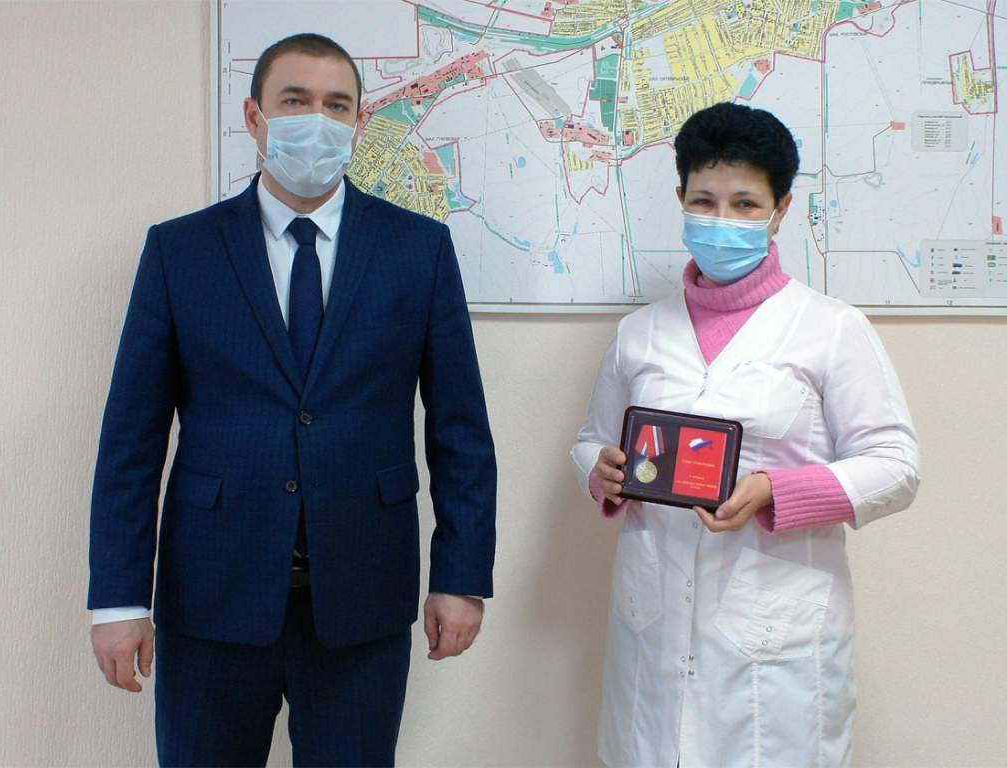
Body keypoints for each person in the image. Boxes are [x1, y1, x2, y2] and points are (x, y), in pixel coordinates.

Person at [88, 33, 497, 767]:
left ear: (360, 122)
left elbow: (460, 432)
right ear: (255, 117)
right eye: (295, 101)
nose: (317, 119)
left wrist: (461, 579)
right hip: (212, 594)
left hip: (363, 595)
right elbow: (131, 440)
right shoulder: (181, 252)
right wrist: (119, 600)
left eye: (337, 105)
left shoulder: (419, 250)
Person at [571, 102, 920, 767]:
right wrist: (602, 472)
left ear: (780, 209)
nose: (722, 220)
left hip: (775, 634)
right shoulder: (639, 333)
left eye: (745, 204)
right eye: (704, 201)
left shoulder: (831, 329)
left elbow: (896, 466)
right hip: (655, 627)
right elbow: (592, 440)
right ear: (680, 199)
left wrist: (775, 491)